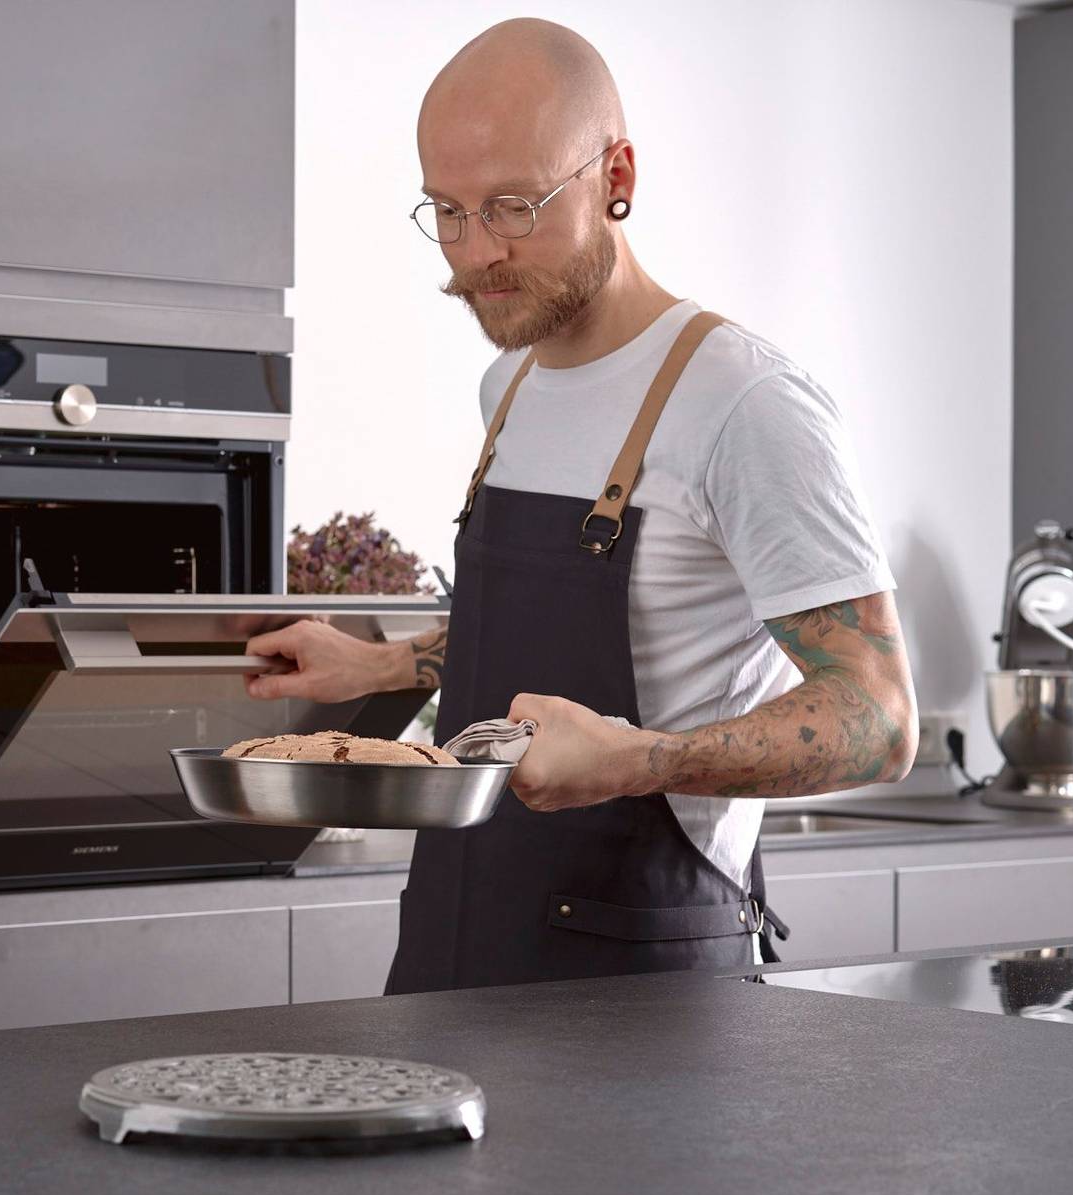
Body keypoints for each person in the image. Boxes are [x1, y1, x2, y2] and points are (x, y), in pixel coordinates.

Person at [244, 18, 917, 990]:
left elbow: (881, 717)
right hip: (454, 952)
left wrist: (641, 758)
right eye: (448, 210)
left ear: (616, 175)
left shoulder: (744, 401)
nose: (477, 253)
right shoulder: (509, 384)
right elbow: (560, 632)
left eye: (513, 206)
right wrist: (385, 662)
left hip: (644, 982)